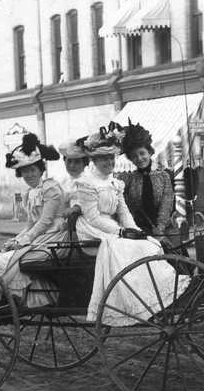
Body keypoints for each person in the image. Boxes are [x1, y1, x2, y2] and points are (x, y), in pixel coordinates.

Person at [72, 125, 188, 326]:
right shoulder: (96, 182)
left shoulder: (124, 181)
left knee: (158, 246)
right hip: (96, 229)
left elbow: (127, 211)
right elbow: (94, 217)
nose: (109, 162)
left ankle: (163, 294)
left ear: (150, 153)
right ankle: (141, 300)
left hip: (153, 226)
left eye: (111, 158)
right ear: (94, 160)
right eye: (103, 158)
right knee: (139, 248)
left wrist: (138, 230)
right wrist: (124, 231)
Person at [0, 134, 65, 311]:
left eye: (33, 170)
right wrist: (17, 239)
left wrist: (24, 241)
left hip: (55, 237)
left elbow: (45, 222)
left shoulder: (51, 189)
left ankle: (2, 298)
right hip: (40, 236)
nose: (29, 175)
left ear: (41, 169)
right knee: (1, 257)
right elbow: (31, 224)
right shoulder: (30, 193)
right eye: (25, 172)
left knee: (7, 261)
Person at [116, 120, 174, 239]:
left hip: (163, 231)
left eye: (142, 153)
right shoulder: (128, 179)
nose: (139, 158)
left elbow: (166, 204)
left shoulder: (164, 177)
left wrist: (160, 228)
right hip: (138, 232)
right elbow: (125, 207)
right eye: (134, 156)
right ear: (131, 159)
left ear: (150, 152)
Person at [58, 138, 90, 220]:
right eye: (69, 161)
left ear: (84, 163)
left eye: (77, 162)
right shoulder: (63, 182)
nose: (72, 166)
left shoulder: (89, 181)